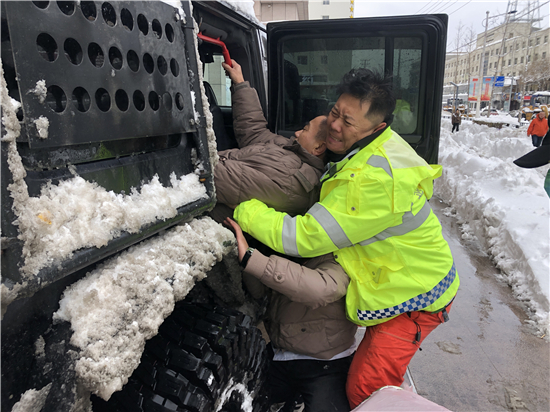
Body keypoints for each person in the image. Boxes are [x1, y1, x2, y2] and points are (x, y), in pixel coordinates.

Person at [233, 68, 460, 409]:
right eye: (335, 112)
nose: (334, 125)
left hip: (415, 295)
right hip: (393, 274)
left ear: (376, 127)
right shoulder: (369, 148)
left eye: (348, 122)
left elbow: (304, 238)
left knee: (367, 390)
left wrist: (243, 208)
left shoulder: (373, 179)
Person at [225, 217, 357, 412]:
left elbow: (320, 290)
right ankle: (289, 400)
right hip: (280, 353)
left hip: (326, 363)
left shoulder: (341, 255)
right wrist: (247, 254)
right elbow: (260, 292)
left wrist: (253, 259)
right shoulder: (286, 247)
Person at [211, 60, 327, 223]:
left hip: (203, 219)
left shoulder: (293, 183)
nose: (297, 132)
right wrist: (240, 83)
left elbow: (220, 179)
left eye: (305, 129)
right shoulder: (292, 148)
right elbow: (254, 131)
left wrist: (187, 163)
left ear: (318, 147)